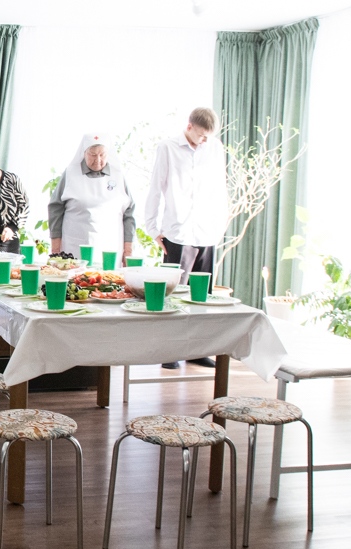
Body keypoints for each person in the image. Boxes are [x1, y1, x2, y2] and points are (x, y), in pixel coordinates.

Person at [145, 107, 228, 369]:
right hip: (177, 232)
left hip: (205, 233)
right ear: (189, 126)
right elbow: (155, 188)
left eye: (208, 137)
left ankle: (197, 350)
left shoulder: (215, 149)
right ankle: (169, 352)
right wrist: (152, 229)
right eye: (201, 135)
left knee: (201, 296)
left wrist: (220, 227)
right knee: (172, 295)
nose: (204, 140)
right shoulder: (167, 148)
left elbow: (220, 189)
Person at [47, 133, 136, 262]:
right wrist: (55, 249)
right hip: (74, 245)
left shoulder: (118, 175)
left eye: (102, 155)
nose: (98, 159)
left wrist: (128, 250)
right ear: (84, 153)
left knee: (108, 273)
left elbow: (129, 213)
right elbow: (55, 208)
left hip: (110, 245)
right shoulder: (71, 173)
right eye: (93, 155)